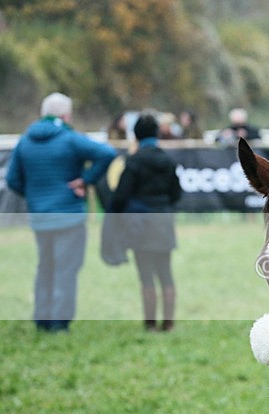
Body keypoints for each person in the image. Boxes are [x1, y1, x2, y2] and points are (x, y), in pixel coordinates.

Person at [6, 92, 117, 332]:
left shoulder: (25, 141)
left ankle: (41, 317)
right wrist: (85, 180)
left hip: (40, 216)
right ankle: (59, 322)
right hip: (68, 215)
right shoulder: (69, 139)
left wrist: (35, 196)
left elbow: (13, 179)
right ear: (66, 115)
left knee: (44, 267)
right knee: (66, 269)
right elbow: (107, 153)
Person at [110, 114, 182, 332]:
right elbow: (176, 193)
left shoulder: (134, 161)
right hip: (163, 221)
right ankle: (168, 323)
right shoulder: (168, 160)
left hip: (140, 224)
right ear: (157, 133)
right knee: (166, 273)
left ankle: (150, 324)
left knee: (146, 275)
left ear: (136, 135)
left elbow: (121, 195)